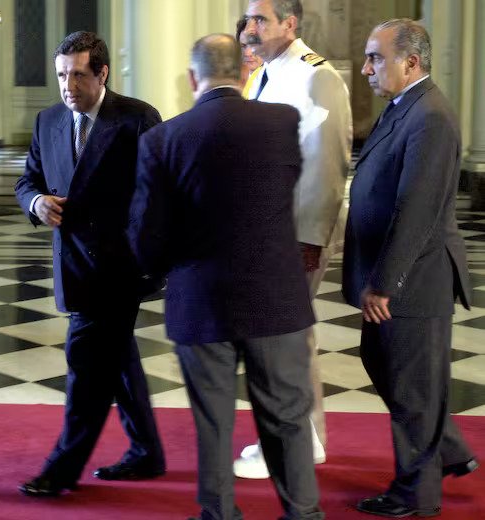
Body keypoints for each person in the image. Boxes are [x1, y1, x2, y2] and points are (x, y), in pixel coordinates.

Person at [128, 33, 323, 520]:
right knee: (287, 419)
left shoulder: (161, 139)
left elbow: (146, 236)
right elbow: (285, 194)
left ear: (193, 78)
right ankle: (304, 513)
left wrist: (162, 267)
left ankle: (219, 513)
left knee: (213, 422)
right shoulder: (282, 122)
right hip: (274, 295)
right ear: (245, 72)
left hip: (201, 297)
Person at [15, 30, 165, 497]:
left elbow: (158, 193)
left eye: (78, 74)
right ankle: (147, 452)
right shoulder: (48, 121)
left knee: (85, 362)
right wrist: (36, 202)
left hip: (120, 270)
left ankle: (61, 467)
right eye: (62, 75)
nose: (68, 85)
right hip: (73, 265)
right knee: (118, 359)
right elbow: (28, 181)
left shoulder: (137, 118)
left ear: (101, 73)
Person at [344, 19, 478, 518]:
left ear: (411, 62)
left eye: (375, 58)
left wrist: (384, 284)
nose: (366, 69)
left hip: (414, 280)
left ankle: (414, 496)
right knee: (387, 367)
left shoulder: (432, 117)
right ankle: (449, 450)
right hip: (395, 274)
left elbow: (416, 210)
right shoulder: (406, 106)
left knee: (412, 387)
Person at [235, 0, 352, 479]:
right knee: (290, 339)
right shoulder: (267, 72)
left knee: (279, 342)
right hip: (269, 231)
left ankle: (290, 445)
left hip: (293, 234)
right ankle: (308, 439)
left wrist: (309, 236)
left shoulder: (314, 75)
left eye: (261, 18)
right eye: (248, 18)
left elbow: (328, 163)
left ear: (290, 23)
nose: (250, 27)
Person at [235, 18, 263, 96]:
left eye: (253, 45)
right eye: (243, 46)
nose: (248, 53)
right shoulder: (232, 80)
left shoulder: (279, 78)